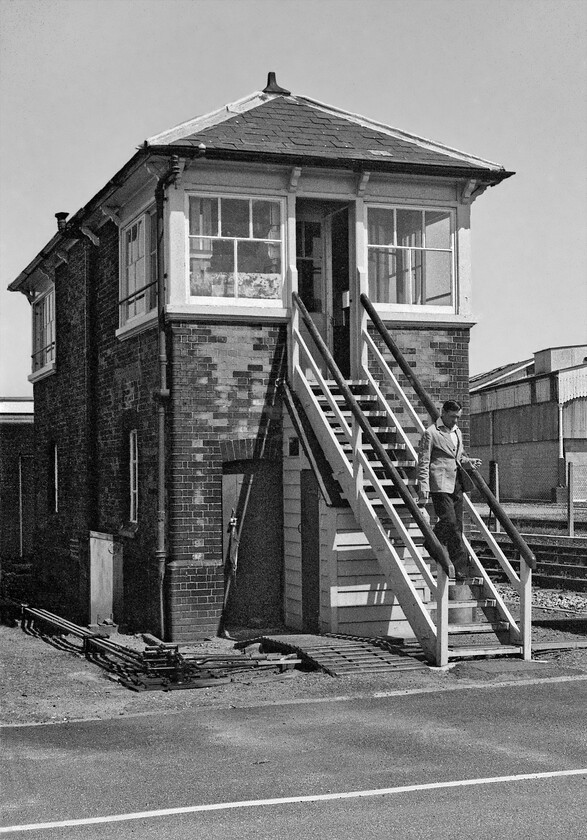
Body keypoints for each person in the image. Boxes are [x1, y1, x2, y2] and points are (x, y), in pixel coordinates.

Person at [417, 400, 482, 580]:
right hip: (440, 485)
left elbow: (457, 456)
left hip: (456, 484)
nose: (455, 421)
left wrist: (469, 462)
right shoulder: (431, 433)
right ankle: (432, 544)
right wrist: (423, 486)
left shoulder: (457, 432)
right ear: (443, 413)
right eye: (452, 417)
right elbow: (423, 461)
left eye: (458, 418)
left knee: (458, 526)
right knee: (449, 521)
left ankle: (460, 568)